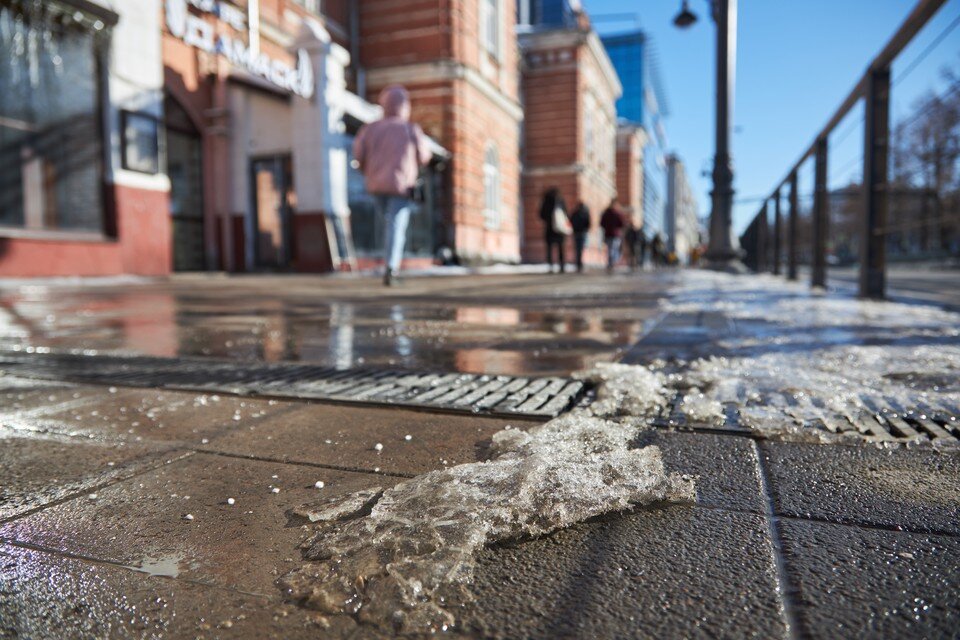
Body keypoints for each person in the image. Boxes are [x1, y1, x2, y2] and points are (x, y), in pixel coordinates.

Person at [353, 85, 431, 286]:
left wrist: (370, 172)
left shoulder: (370, 129)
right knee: (396, 226)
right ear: (405, 106)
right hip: (401, 186)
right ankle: (391, 268)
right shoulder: (409, 128)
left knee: (385, 224)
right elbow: (424, 156)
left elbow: (358, 155)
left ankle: (387, 263)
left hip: (376, 185)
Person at [539, 187, 569, 273]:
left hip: (550, 228)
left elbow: (541, 215)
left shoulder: (546, 201)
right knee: (561, 248)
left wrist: (549, 219)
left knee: (549, 248)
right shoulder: (560, 201)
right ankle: (562, 266)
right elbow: (566, 214)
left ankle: (551, 266)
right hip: (559, 229)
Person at [599, 198, 626, 273]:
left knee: (610, 249)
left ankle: (610, 262)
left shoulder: (606, 213)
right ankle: (612, 263)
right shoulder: (617, 213)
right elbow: (622, 224)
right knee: (614, 249)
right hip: (615, 234)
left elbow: (601, 223)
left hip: (608, 234)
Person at [569, 201, 591, 273]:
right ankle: (579, 263)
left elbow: (571, 221)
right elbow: (588, 224)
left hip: (577, 232)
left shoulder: (575, 213)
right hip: (582, 233)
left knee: (578, 249)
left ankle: (578, 263)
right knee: (580, 249)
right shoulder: (585, 213)